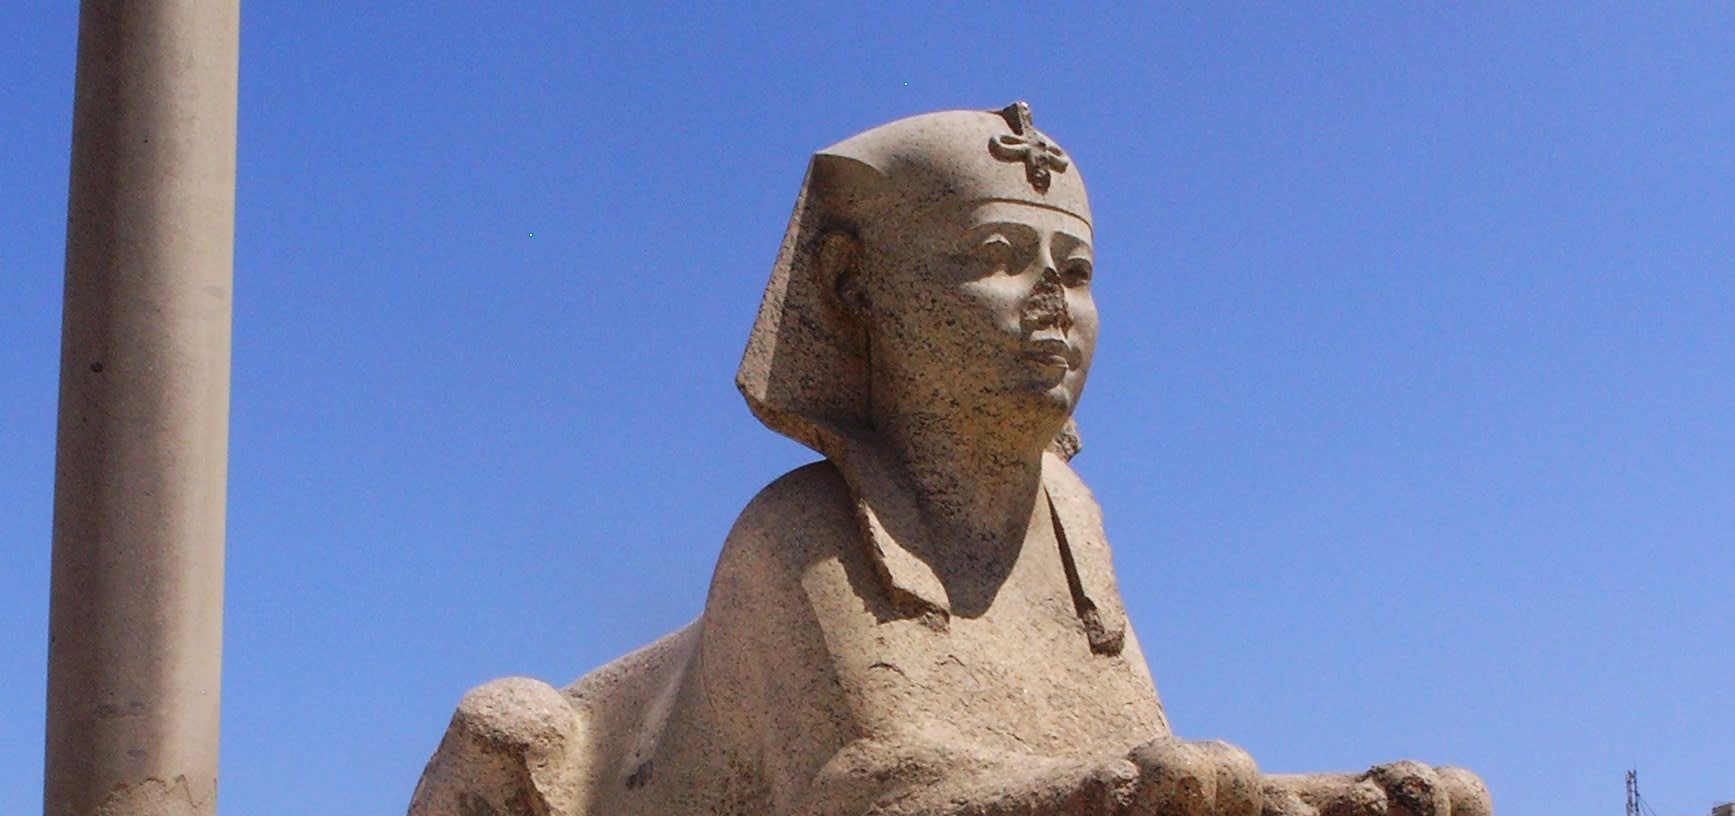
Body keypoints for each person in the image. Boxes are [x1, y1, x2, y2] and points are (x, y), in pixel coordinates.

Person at [410, 104, 1490, 816]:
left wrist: (1335, 795)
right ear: (853, 286)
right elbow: (864, 792)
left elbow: (1167, 781)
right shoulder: (797, 532)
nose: (1053, 303)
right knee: (508, 725)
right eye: (998, 258)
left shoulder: (1073, 523)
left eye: (1076, 270)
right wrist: (1104, 793)